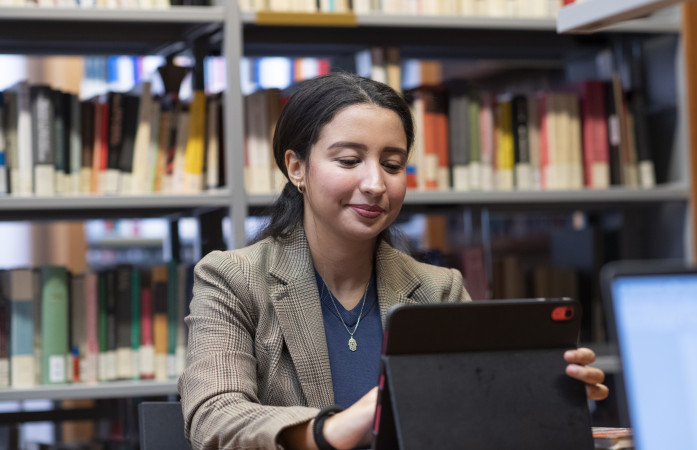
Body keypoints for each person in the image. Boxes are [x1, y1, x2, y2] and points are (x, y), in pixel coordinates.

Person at [178, 72, 609, 450]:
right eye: (349, 160)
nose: (375, 183)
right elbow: (214, 417)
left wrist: (540, 396)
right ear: (297, 168)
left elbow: (473, 416)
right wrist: (333, 430)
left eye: (393, 164)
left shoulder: (439, 289)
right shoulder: (232, 278)